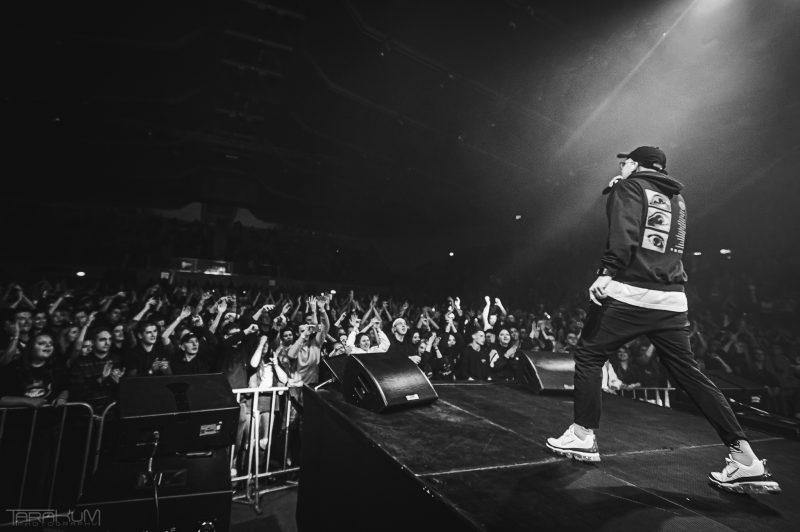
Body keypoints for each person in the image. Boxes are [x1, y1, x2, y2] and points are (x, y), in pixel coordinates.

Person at [545, 146, 780, 495]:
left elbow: (624, 232)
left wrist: (606, 271)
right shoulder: (677, 198)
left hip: (631, 292)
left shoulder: (629, 186)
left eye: (625, 163)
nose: (622, 167)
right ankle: (745, 458)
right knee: (689, 373)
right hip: (671, 298)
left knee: (590, 355)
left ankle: (582, 435)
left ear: (635, 164)